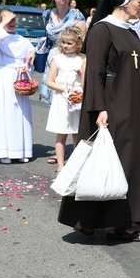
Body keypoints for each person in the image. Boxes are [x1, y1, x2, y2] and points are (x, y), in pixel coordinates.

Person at [57, 0, 140, 242]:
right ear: (124, 1)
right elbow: (95, 72)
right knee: (103, 162)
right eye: (138, 1)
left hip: (132, 108)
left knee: (128, 163)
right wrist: (100, 108)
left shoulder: (131, 31)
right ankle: (91, 220)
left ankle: (122, 221)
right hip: (109, 107)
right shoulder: (102, 30)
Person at [0, 9, 36, 164]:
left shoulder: (22, 40)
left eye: (14, 20)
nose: (12, 23)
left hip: (19, 77)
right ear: (0, 22)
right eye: (8, 21)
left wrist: (28, 63)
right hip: (4, 76)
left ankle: (20, 150)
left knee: (21, 114)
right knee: (4, 112)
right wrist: (3, 23)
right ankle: (3, 151)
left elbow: (29, 56)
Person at [37, 0, 86, 110]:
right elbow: (45, 39)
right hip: (53, 60)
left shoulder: (76, 15)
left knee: (72, 103)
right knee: (56, 104)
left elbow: (81, 42)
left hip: (70, 60)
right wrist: (33, 52)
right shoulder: (47, 14)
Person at [44, 27, 85, 172]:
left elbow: (87, 82)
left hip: (77, 98)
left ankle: (76, 166)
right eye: (64, 43)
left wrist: (81, 74)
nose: (66, 46)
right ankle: (61, 166)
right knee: (61, 134)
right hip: (62, 99)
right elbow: (50, 81)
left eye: (69, 43)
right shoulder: (58, 59)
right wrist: (64, 90)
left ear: (78, 43)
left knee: (76, 133)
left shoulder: (83, 59)